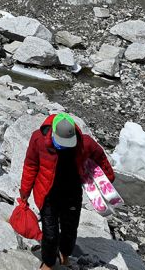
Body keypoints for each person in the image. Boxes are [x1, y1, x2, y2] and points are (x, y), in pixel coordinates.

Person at [20, 113, 114, 270]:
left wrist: (108, 178)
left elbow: (100, 157)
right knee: (50, 234)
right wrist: (25, 192)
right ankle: (48, 263)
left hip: (72, 194)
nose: (64, 146)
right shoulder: (38, 139)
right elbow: (30, 165)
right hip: (47, 194)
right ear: (53, 133)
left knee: (69, 230)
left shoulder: (85, 143)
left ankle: (64, 255)